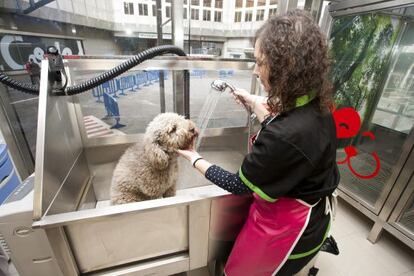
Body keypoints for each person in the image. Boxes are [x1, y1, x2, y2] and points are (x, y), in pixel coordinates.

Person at [178, 9, 340, 276]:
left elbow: (239, 185)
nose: (255, 71)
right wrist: (258, 107)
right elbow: (293, 143)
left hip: (289, 229)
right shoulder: (317, 103)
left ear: (286, 65)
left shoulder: (285, 136)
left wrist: (194, 158)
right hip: (318, 212)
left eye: (260, 62)